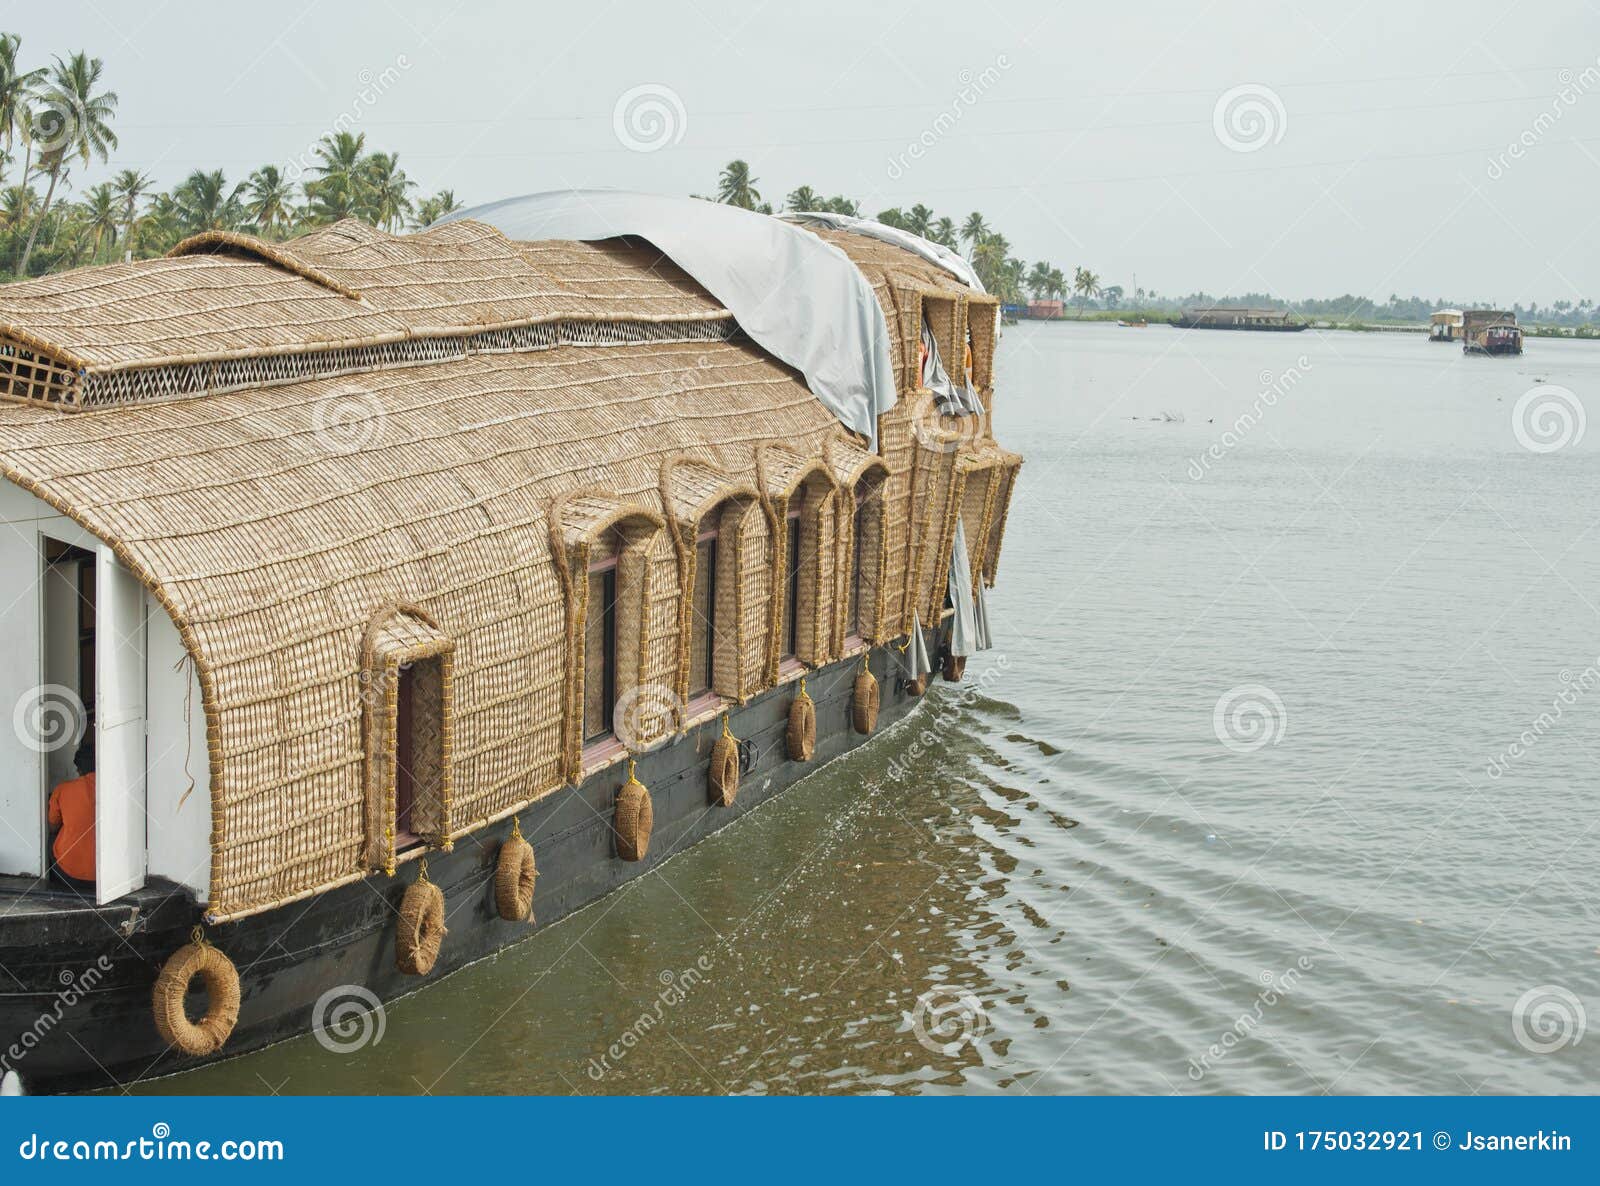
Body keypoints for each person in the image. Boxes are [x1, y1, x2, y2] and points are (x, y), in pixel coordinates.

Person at [47, 737, 95, 888]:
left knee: (50, 839)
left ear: (79, 769)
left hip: (68, 872)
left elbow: (53, 827)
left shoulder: (62, 790)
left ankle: (57, 886)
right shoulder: (117, 789)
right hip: (107, 875)